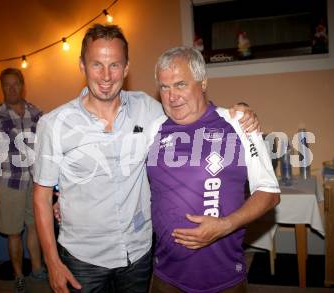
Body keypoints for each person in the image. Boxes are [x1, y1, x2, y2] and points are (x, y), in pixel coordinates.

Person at [33, 24, 259, 293]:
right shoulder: (54, 124)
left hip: (138, 254)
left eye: (115, 65)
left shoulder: (149, 109)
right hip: (83, 259)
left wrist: (240, 113)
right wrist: (51, 261)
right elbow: (41, 198)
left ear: (127, 68)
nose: (106, 76)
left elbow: (191, 107)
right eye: (97, 64)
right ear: (82, 66)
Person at [146, 47, 281, 293]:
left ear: (203, 82)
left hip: (223, 278)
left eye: (180, 84)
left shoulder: (237, 124)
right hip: (165, 276)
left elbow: (269, 192)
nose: (171, 96)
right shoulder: (153, 129)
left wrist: (226, 225)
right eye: (164, 87)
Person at [0, 68, 46, 293]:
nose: (11, 89)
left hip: (35, 183)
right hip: (9, 184)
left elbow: (45, 148)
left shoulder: (37, 113)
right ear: (2, 88)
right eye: (6, 85)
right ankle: (19, 275)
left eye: (15, 84)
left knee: (35, 228)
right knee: (13, 233)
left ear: (23, 85)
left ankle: (38, 269)